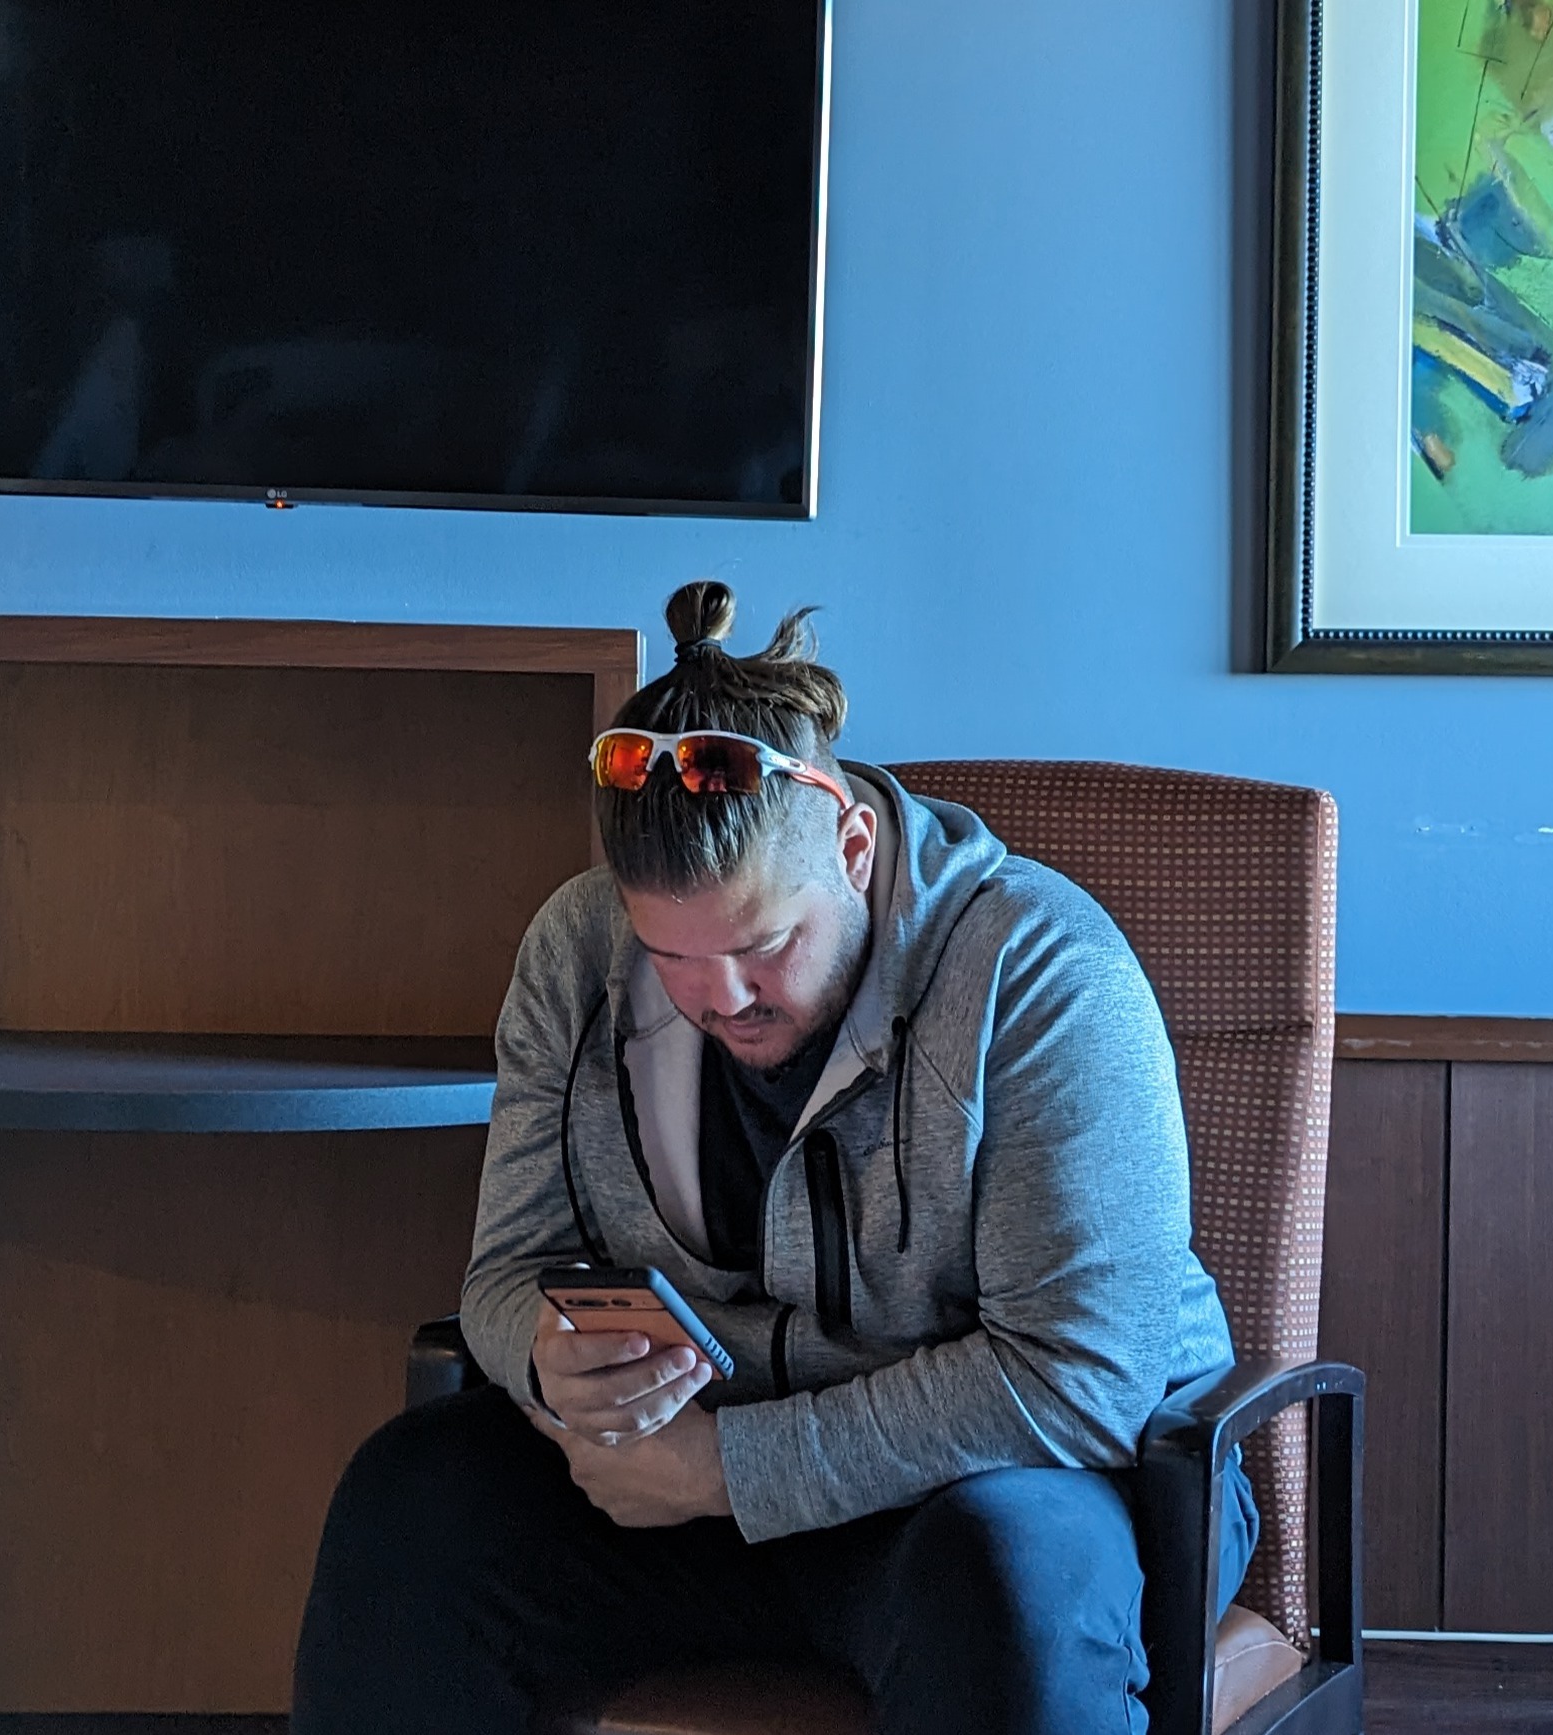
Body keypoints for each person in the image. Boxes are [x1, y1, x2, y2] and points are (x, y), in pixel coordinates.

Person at [293, 582, 1251, 1734]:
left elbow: (1080, 1379)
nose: (723, 999)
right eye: (673, 957)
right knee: (410, 1505)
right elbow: (504, 1274)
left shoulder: (1042, 975)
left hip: (1001, 1486)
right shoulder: (575, 951)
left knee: (1006, 1585)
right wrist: (552, 1359)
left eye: (765, 944)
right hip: (687, 1484)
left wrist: (729, 1469)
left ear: (852, 846)